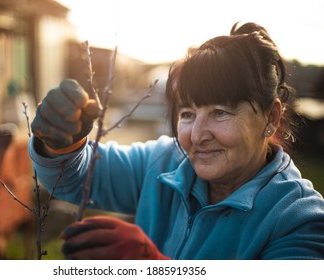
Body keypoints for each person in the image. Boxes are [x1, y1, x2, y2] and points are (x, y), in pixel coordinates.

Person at [29, 22, 324, 259]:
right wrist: (62, 143)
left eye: (220, 112)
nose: (197, 136)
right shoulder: (164, 163)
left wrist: (155, 265)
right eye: (187, 113)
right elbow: (76, 179)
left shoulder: (298, 220)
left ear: (271, 117)